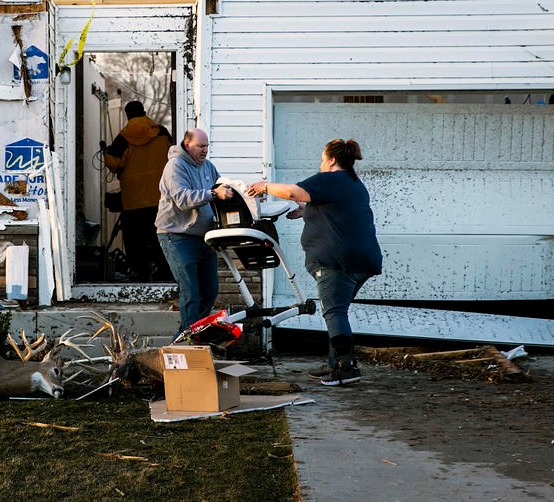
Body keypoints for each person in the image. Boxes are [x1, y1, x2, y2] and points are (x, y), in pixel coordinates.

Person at [246, 138, 381, 387]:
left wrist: (264, 186)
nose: (321, 163)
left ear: (331, 159)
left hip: (336, 261)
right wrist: (306, 210)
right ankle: (334, 362)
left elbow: (290, 192)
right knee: (338, 311)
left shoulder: (329, 179)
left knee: (334, 311)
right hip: (363, 260)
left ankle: (347, 368)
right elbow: (334, 209)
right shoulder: (354, 184)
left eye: (322, 158)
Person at [155, 128, 235, 333]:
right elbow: (183, 199)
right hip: (176, 236)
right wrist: (213, 193)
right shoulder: (175, 166)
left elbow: (220, 192)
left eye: (207, 146)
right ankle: (188, 342)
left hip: (205, 237)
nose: (205, 150)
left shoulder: (208, 167)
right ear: (187, 144)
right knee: (191, 292)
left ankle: (190, 337)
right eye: (201, 146)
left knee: (209, 291)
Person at [104, 101, 173, 281]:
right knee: (160, 235)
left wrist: (106, 152)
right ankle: (163, 272)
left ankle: (140, 272)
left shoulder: (124, 137)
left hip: (133, 198)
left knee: (135, 239)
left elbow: (113, 162)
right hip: (160, 196)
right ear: (144, 112)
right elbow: (174, 156)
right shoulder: (162, 132)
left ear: (128, 115)